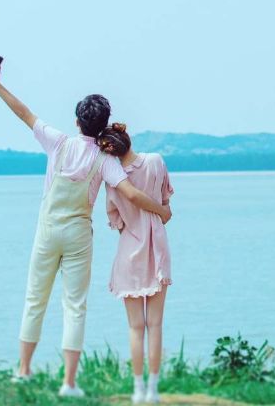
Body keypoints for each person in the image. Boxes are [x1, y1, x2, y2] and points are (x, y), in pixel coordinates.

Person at [0, 65, 172, 398]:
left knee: (34, 299)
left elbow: (23, 112)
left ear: (77, 121)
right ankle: (69, 383)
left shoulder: (58, 143)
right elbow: (131, 194)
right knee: (75, 306)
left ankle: (23, 370)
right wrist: (161, 210)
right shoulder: (105, 159)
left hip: (48, 230)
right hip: (79, 235)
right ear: (103, 124)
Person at [97, 123, 173, 404]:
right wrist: (157, 215)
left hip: (128, 253)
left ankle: (137, 389)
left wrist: (133, 224)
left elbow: (116, 221)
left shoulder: (114, 181)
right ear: (127, 138)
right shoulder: (155, 162)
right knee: (156, 324)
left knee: (135, 327)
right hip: (157, 250)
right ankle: (153, 390)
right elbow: (166, 207)